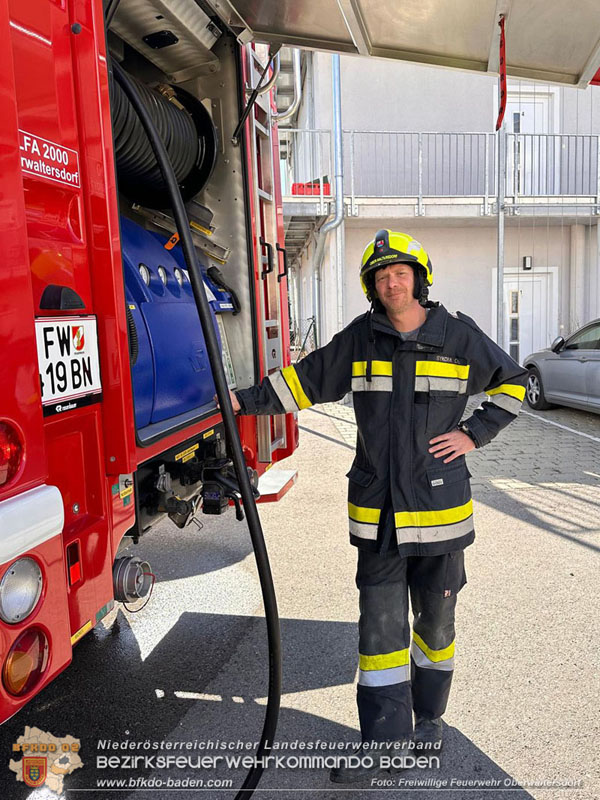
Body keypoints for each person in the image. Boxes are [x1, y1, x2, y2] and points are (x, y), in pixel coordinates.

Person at [218, 229, 528, 784]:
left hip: (439, 518)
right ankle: (383, 747)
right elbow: (303, 382)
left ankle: (429, 721)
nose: (391, 282)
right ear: (372, 287)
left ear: (420, 277)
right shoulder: (361, 338)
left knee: (436, 625)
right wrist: (241, 399)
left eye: (400, 272)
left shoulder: (458, 336)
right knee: (381, 634)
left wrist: (474, 435)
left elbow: (516, 384)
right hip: (379, 519)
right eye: (381, 276)